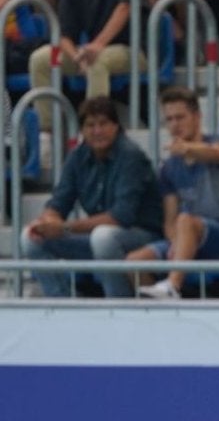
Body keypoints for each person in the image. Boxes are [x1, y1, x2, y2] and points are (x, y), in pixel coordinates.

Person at [20, 96, 163, 297]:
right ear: (82, 130)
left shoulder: (131, 156)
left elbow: (120, 217)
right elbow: (59, 201)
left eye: (103, 124)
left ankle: (119, 306)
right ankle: (63, 305)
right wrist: (48, 221)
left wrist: (64, 228)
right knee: (31, 237)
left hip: (141, 236)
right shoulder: (77, 156)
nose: (97, 131)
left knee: (103, 237)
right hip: (99, 238)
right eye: (90, 125)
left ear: (116, 126)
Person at [129, 86, 219, 300]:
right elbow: (170, 222)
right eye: (169, 120)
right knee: (135, 262)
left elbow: (218, 154)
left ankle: (172, 286)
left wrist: (189, 149)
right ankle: (165, 311)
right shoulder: (169, 168)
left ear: (197, 116)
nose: (175, 124)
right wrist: (174, 242)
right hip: (190, 238)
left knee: (187, 221)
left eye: (180, 117)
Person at [28, 0, 147, 131]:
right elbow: (64, 35)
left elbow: (125, 8)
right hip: (91, 52)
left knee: (97, 61)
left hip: (135, 50)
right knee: (40, 59)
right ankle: (47, 132)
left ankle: (95, 131)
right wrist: (76, 57)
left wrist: (98, 45)